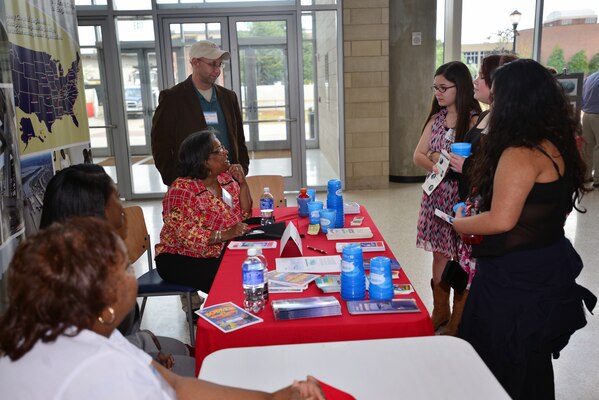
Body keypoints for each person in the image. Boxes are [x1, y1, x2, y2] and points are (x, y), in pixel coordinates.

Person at [0, 218, 325, 399]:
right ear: (106, 300)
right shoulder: (107, 374)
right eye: (126, 269)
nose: (133, 274)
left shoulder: (66, 333)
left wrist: (273, 399)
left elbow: (178, 385)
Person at [453, 59, 596, 399]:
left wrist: (460, 221)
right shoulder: (554, 143)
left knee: (501, 361)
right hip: (545, 264)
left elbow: (501, 220)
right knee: (531, 362)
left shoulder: (520, 152)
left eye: (498, 97)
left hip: (513, 277)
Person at [39, 164, 196, 377]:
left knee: (188, 352)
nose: (122, 206)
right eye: (117, 196)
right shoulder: (75, 278)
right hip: (107, 370)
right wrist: (146, 354)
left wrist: (144, 341)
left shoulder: (90, 254)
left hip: (127, 347)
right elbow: (98, 354)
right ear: (95, 208)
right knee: (200, 367)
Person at [442, 54, 517, 336]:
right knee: (467, 276)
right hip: (471, 205)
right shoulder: (487, 115)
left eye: (482, 77)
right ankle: (460, 324)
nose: (476, 81)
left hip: (484, 215)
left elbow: (499, 175)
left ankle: (465, 328)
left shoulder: (509, 127)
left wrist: (469, 165)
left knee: (479, 282)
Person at [413, 61, 481, 332]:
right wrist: (439, 165)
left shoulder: (476, 120)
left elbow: (479, 162)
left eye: (444, 87)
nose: (438, 93)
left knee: (461, 256)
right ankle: (441, 309)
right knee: (440, 254)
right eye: (435, 87)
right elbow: (417, 155)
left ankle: (459, 316)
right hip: (436, 194)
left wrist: (444, 161)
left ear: (460, 87)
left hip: (462, 197)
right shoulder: (436, 119)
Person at [155, 130, 252, 292]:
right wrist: (227, 234)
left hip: (217, 250)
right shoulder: (181, 190)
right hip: (180, 257)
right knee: (233, 277)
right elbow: (188, 236)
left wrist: (243, 183)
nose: (226, 151)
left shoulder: (225, 179)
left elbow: (245, 215)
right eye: (220, 149)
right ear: (203, 160)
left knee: (250, 264)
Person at [151, 40, 249, 186]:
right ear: (195, 62)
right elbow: (160, 145)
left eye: (219, 64)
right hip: (191, 183)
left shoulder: (228, 97)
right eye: (212, 64)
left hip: (229, 180)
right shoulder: (173, 98)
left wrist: (242, 167)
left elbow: (238, 138)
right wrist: (175, 180)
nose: (217, 70)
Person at [581, 69, 599, 189]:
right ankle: (598, 179)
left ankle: (586, 176)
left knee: (588, 147)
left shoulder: (591, 77)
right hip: (597, 115)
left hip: (586, 115)